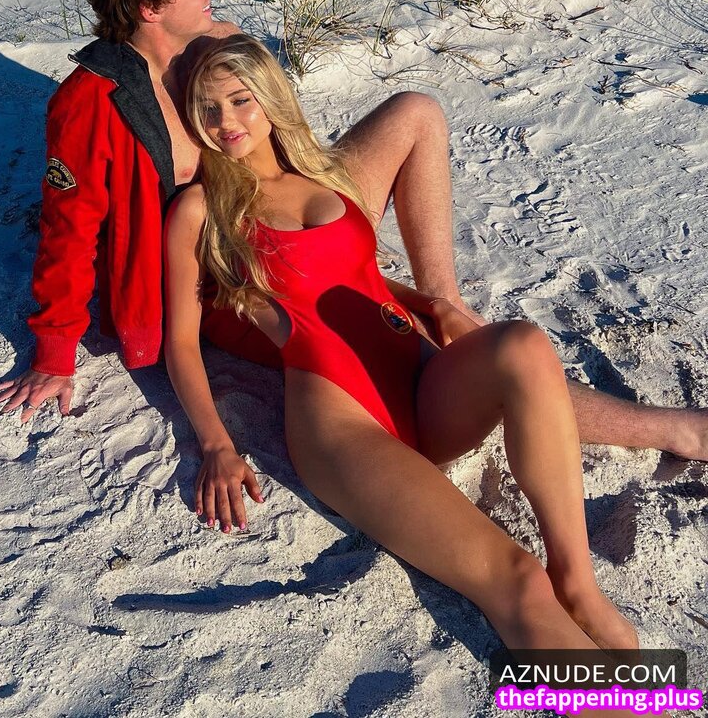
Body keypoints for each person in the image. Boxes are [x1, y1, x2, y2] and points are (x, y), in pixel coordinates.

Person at [0, 0, 707, 465]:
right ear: (148, 6)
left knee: (416, 112)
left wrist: (343, 228)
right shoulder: (92, 101)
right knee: (434, 365)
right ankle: (673, 430)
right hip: (237, 270)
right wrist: (53, 354)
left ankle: (446, 300)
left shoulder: (221, 43)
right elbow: (68, 231)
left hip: (293, 212)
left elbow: (289, 144)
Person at [164, 33, 638, 664]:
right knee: (516, 581)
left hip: (415, 375)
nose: (226, 121)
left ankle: (576, 580)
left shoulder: (318, 173)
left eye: (239, 100)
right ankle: (640, 699)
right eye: (208, 109)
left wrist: (429, 303)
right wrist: (217, 446)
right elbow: (180, 342)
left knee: (522, 343)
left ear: (270, 99)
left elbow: (351, 273)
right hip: (341, 422)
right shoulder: (203, 209)